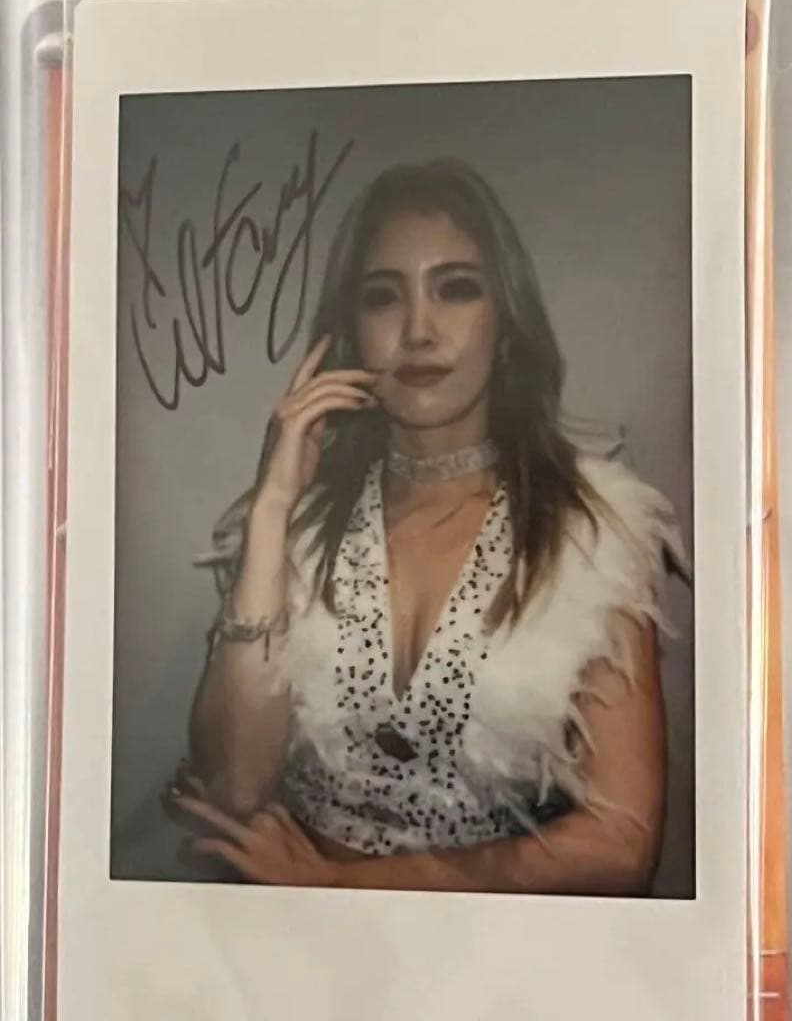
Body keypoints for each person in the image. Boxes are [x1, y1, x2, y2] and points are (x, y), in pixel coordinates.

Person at [168, 159, 686, 895]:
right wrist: (272, 509)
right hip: (291, 938)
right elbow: (235, 785)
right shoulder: (302, 527)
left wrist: (346, 885)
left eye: (456, 288)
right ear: (352, 333)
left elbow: (622, 842)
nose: (418, 330)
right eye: (383, 297)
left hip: (484, 953)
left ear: (505, 321)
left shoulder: (594, 529)